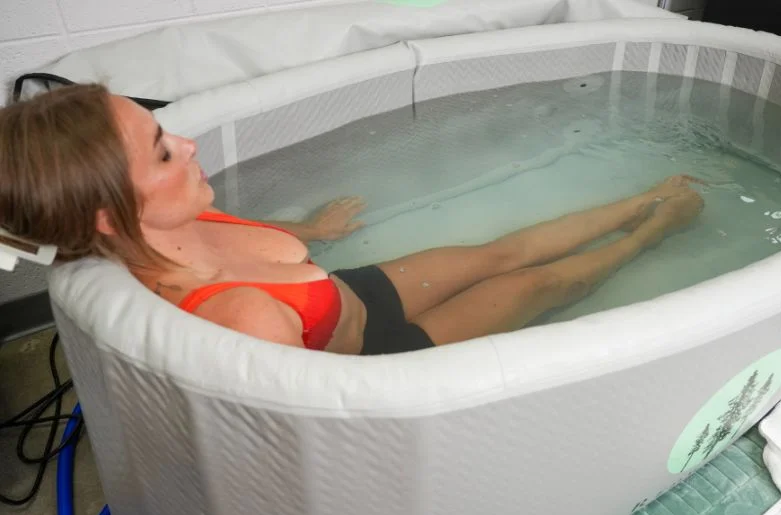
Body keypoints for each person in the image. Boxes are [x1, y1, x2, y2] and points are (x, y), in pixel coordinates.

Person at [0, 84, 704, 355]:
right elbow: (327, 410)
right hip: (378, 352)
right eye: (161, 153)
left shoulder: (168, 219)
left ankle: (641, 198)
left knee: (498, 253)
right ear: (105, 214)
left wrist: (310, 233)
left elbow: (248, 244)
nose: (185, 143)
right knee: (535, 287)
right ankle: (653, 233)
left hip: (347, 294)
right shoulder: (243, 321)